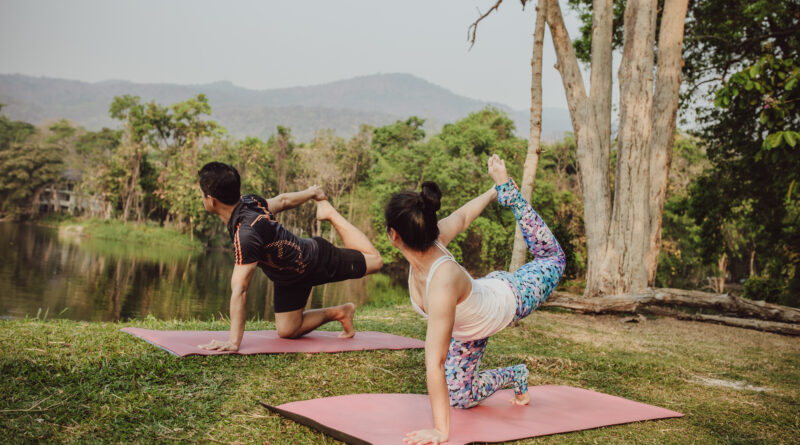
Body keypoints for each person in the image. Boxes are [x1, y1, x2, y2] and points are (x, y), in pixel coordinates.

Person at [386, 155, 566, 445]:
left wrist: (441, 431)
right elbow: (463, 216)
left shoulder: (441, 277)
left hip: (512, 296)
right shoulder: (429, 239)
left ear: (393, 235)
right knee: (460, 397)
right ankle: (516, 374)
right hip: (471, 325)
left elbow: (435, 362)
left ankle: (512, 195)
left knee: (553, 258)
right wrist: (491, 191)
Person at [196, 162, 383, 351]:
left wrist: (233, 342)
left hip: (317, 259)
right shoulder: (249, 202)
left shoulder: (246, 233)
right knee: (287, 330)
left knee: (376, 262)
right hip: (287, 279)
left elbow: (240, 289)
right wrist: (311, 193)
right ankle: (342, 312)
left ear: (211, 200)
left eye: (201, 193)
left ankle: (330, 213)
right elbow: (283, 201)